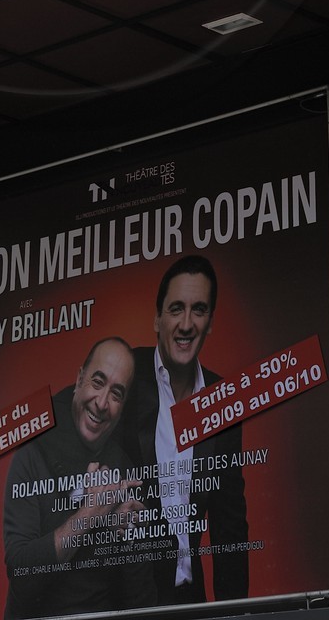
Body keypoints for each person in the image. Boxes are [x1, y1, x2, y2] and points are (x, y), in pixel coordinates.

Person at [119, 256, 249, 604]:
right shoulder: (126, 376)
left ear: (210, 323)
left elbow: (230, 526)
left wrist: (234, 613)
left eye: (199, 310)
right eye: (176, 309)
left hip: (190, 600)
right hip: (125, 602)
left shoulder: (222, 399)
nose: (187, 324)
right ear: (157, 318)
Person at [3, 337, 155, 618]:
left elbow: (141, 598)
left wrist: (126, 536)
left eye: (116, 394)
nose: (102, 402)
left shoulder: (126, 471)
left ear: (123, 408)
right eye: (97, 383)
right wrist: (91, 514)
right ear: (79, 379)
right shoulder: (33, 451)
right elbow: (21, 575)